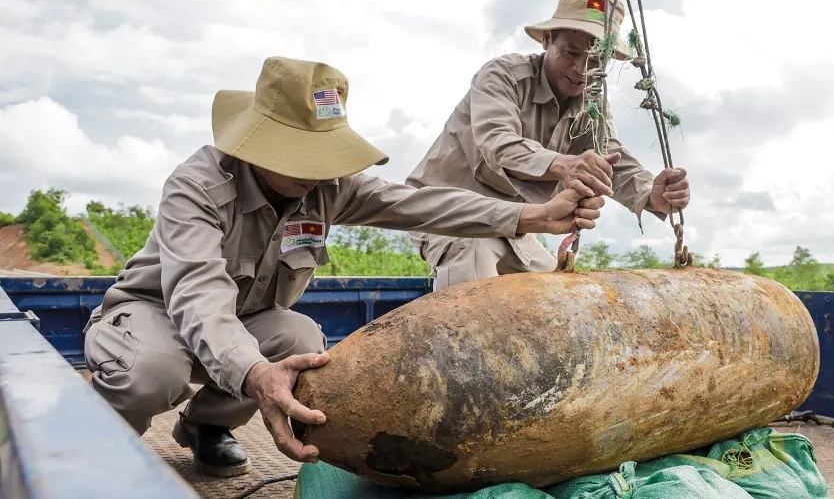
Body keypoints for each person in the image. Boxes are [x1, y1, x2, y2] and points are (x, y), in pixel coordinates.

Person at [82, 56, 605, 478]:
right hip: (158, 314)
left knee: (302, 340)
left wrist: (533, 214)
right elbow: (197, 295)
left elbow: (421, 204)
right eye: (301, 156)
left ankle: (205, 426)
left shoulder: (328, 186)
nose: (317, 173)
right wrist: (257, 372)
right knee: (154, 371)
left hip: (244, 319)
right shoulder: (198, 186)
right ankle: (96, 447)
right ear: (259, 141)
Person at [404, 0, 691, 289]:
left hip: (513, 225)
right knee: (474, 263)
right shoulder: (502, 77)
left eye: (596, 60)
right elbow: (499, 143)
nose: (582, 69)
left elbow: (610, 158)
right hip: (447, 211)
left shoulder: (591, 105)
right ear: (547, 39)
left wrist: (651, 195)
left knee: (565, 293)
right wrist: (563, 165)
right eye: (572, 53)